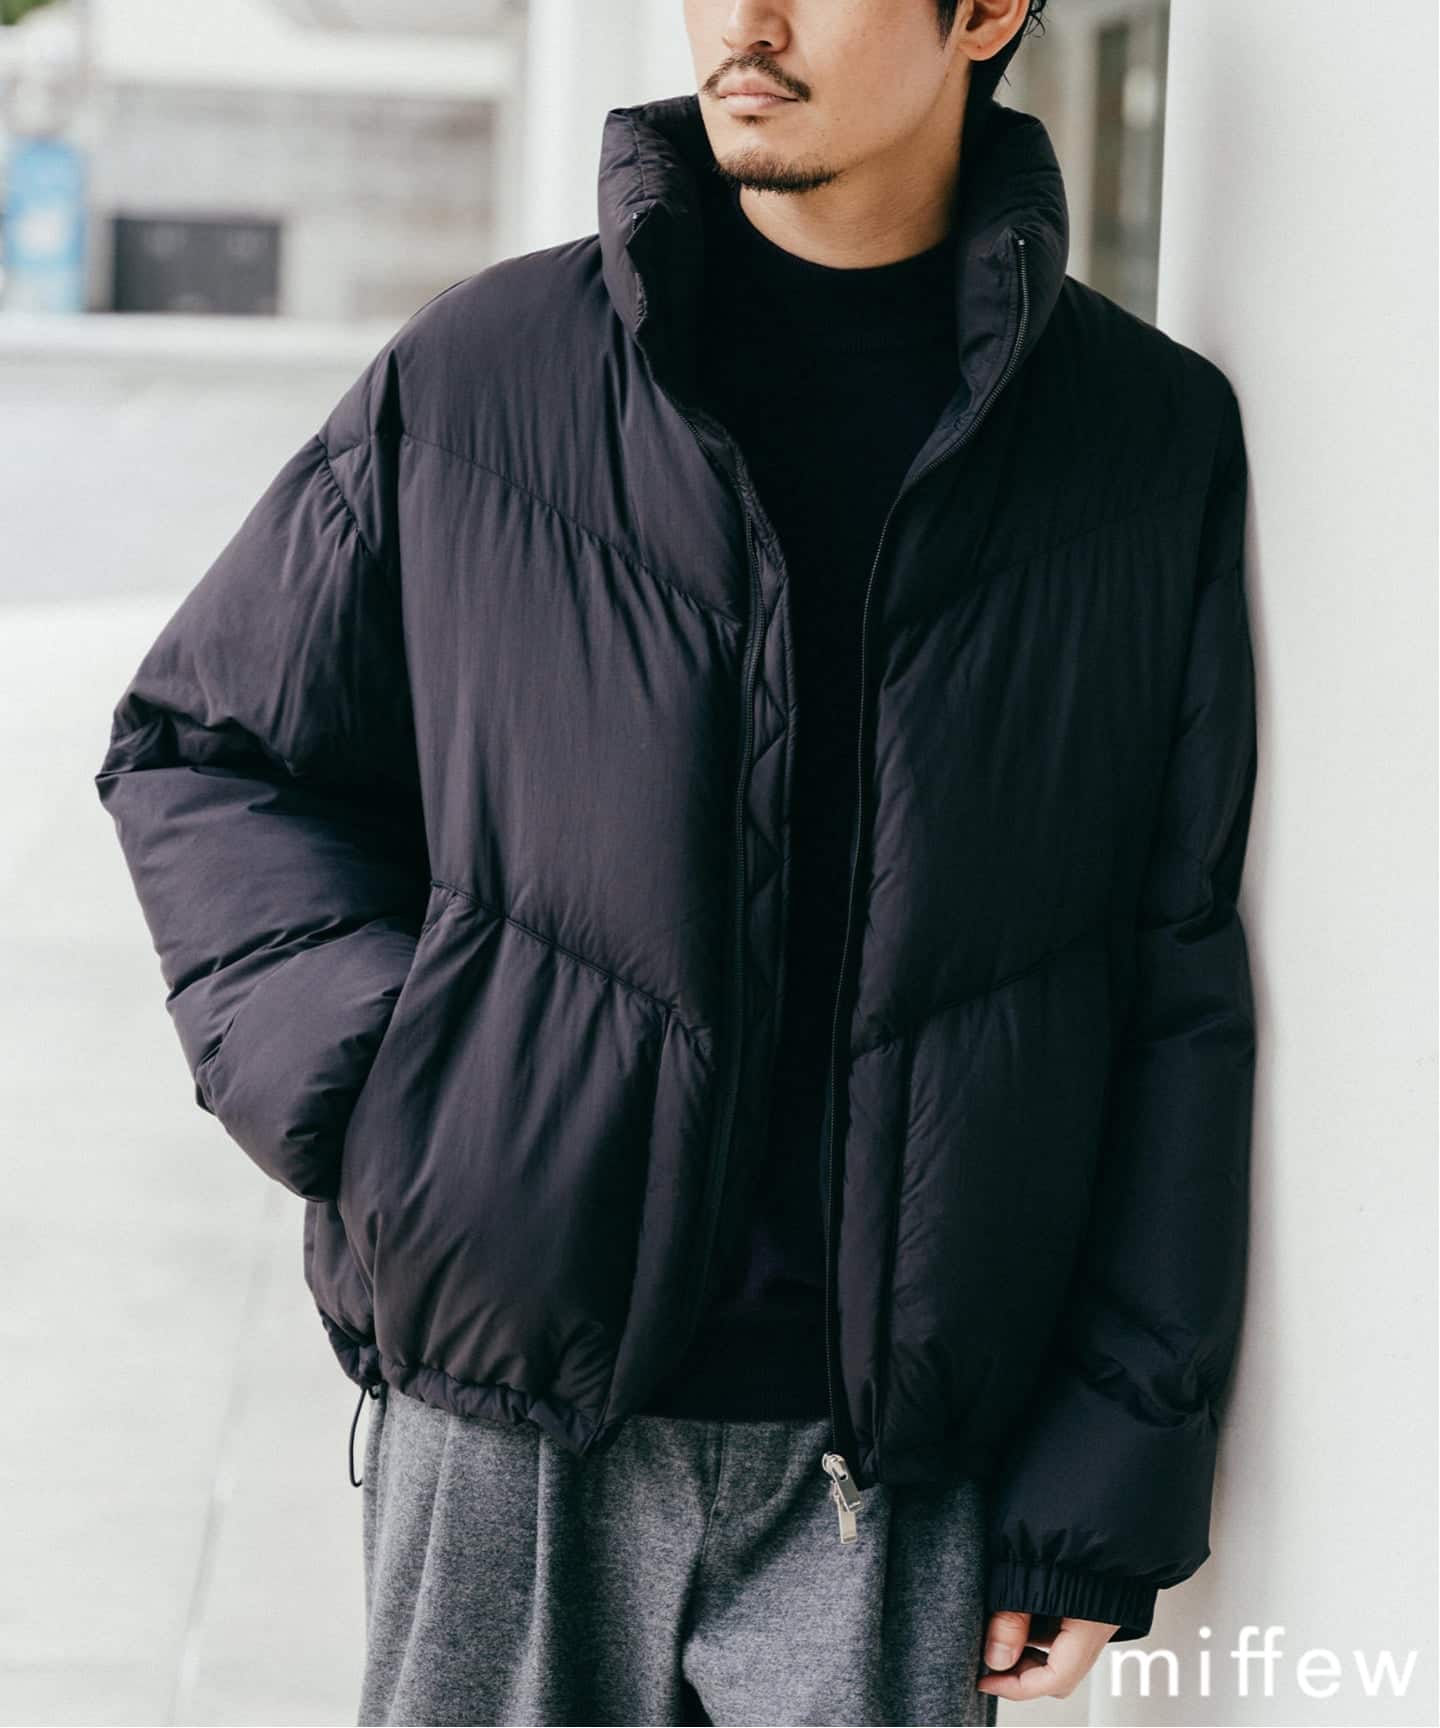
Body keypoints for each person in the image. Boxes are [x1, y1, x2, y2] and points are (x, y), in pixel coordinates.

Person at [93, 0, 1259, 1721]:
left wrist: (1104, 1478)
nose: (748, 23)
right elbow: (207, 748)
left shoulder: (1141, 442)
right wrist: (400, 1088)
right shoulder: (487, 373)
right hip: (510, 1428)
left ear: (990, 14)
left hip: (895, 1462)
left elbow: (1174, 973)